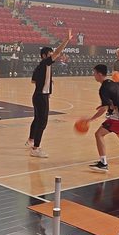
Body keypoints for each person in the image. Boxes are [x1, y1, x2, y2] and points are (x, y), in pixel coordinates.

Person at [26, 30, 72, 158]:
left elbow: (33, 80)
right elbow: (58, 52)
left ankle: (31, 140)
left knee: (37, 119)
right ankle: (36, 148)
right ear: (44, 56)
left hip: (38, 95)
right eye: (50, 53)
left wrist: (46, 81)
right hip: (42, 97)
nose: (53, 55)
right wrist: (66, 40)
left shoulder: (41, 66)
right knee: (43, 122)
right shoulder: (45, 62)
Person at [84, 64, 119, 171]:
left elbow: (104, 109)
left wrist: (91, 119)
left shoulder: (103, 88)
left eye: (94, 73)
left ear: (99, 74)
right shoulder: (111, 82)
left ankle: (103, 164)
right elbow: (114, 99)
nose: (93, 75)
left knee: (99, 134)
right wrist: (105, 105)